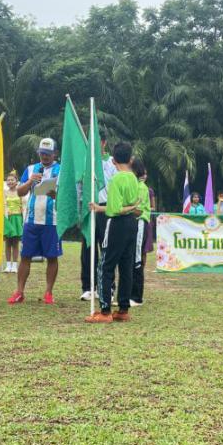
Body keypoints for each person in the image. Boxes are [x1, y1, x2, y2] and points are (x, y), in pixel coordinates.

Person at [86, 142, 139, 323]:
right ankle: (123, 309)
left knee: (105, 266)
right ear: (130, 159)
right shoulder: (133, 178)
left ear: (114, 160)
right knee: (126, 267)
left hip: (117, 225)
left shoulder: (116, 179)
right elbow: (130, 204)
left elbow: (115, 209)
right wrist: (100, 207)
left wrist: (101, 208)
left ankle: (105, 311)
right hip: (132, 224)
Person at [9, 138, 62, 305]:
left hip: (52, 221)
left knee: (52, 257)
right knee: (25, 256)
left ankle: (48, 292)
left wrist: (55, 195)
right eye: (42, 153)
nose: (44, 156)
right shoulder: (31, 169)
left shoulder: (61, 170)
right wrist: (30, 181)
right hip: (31, 220)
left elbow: (66, 196)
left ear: (55, 154)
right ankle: (19, 292)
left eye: (48, 154)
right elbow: (19, 192)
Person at [79, 132, 118, 301]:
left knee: (106, 249)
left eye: (96, 141)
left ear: (103, 143)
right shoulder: (85, 162)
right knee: (88, 249)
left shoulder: (112, 163)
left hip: (105, 209)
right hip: (88, 209)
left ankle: (108, 287)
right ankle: (88, 287)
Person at [130, 158, 152, 306]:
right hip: (132, 224)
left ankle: (137, 297)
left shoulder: (141, 187)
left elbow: (138, 210)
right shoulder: (133, 185)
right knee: (131, 259)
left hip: (139, 224)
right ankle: (129, 294)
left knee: (137, 259)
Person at [3, 172, 25, 274]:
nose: (10, 182)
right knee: (7, 242)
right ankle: (8, 265)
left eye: (12, 180)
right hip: (8, 219)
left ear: (17, 181)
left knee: (15, 243)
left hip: (17, 218)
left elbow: (24, 205)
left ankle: (15, 266)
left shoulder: (20, 192)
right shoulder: (4, 192)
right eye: (8, 180)